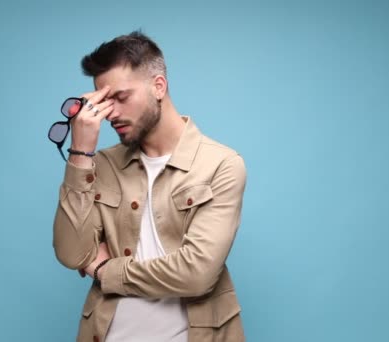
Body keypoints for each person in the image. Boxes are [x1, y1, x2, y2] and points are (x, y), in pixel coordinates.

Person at [52, 31, 247, 342]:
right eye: (102, 101)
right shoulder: (100, 164)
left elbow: (196, 273)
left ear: (159, 86)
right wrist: (80, 152)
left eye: (120, 97)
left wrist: (105, 271)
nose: (110, 113)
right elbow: (72, 254)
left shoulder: (221, 164)